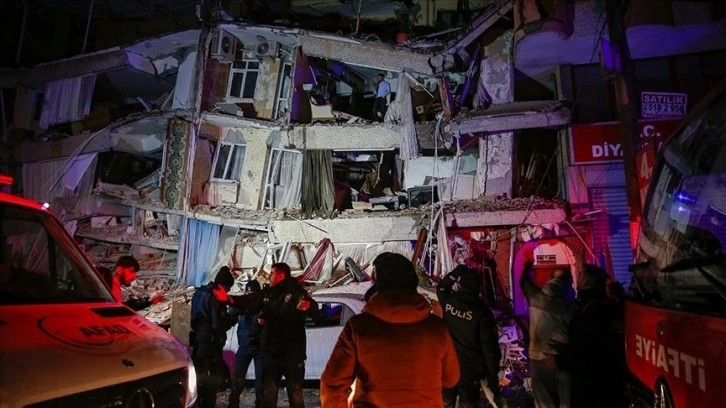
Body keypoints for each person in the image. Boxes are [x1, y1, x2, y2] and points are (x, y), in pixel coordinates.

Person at [320, 252, 460, 407]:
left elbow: (332, 384)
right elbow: (450, 379)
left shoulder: (359, 327)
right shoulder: (436, 328)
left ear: (378, 283)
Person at [217, 263, 318, 408]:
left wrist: (310, 307)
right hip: (271, 355)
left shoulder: (296, 293)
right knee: (268, 397)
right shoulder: (268, 294)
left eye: (272, 273)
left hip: (292, 356)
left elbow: (315, 310)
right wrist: (230, 299)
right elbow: (250, 301)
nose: (269, 276)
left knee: (295, 396)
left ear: (281, 275)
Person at [438, 265, 505, 408]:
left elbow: (442, 287)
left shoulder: (449, 301)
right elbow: (489, 348)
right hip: (470, 372)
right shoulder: (482, 313)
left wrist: (456, 272)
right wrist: (492, 377)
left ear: (460, 284)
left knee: (445, 403)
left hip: (448, 366)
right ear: (478, 288)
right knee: (467, 404)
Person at [520, 261, 577, 408]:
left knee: (544, 402)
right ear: (569, 282)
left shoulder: (536, 298)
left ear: (550, 279)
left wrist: (527, 266)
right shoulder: (573, 307)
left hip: (538, 358)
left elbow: (524, 282)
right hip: (563, 361)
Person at [569, 265, 628, 408]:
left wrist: (559, 360)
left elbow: (581, 348)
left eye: (580, 275)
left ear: (586, 282)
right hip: (609, 384)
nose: (577, 278)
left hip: (592, 386)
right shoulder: (608, 306)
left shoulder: (592, 310)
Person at [191, 266, 236, 408]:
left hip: (197, 341)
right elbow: (218, 325)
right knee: (210, 382)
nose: (227, 292)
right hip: (211, 345)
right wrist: (232, 319)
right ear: (224, 285)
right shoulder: (217, 297)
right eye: (228, 289)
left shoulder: (199, 292)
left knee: (198, 378)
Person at [228, 280, 265, 408]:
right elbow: (232, 313)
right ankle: (233, 403)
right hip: (244, 345)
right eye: (248, 294)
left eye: (252, 294)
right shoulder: (243, 304)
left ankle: (260, 403)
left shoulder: (262, 304)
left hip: (259, 347)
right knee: (237, 377)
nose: (250, 297)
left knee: (261, 380)